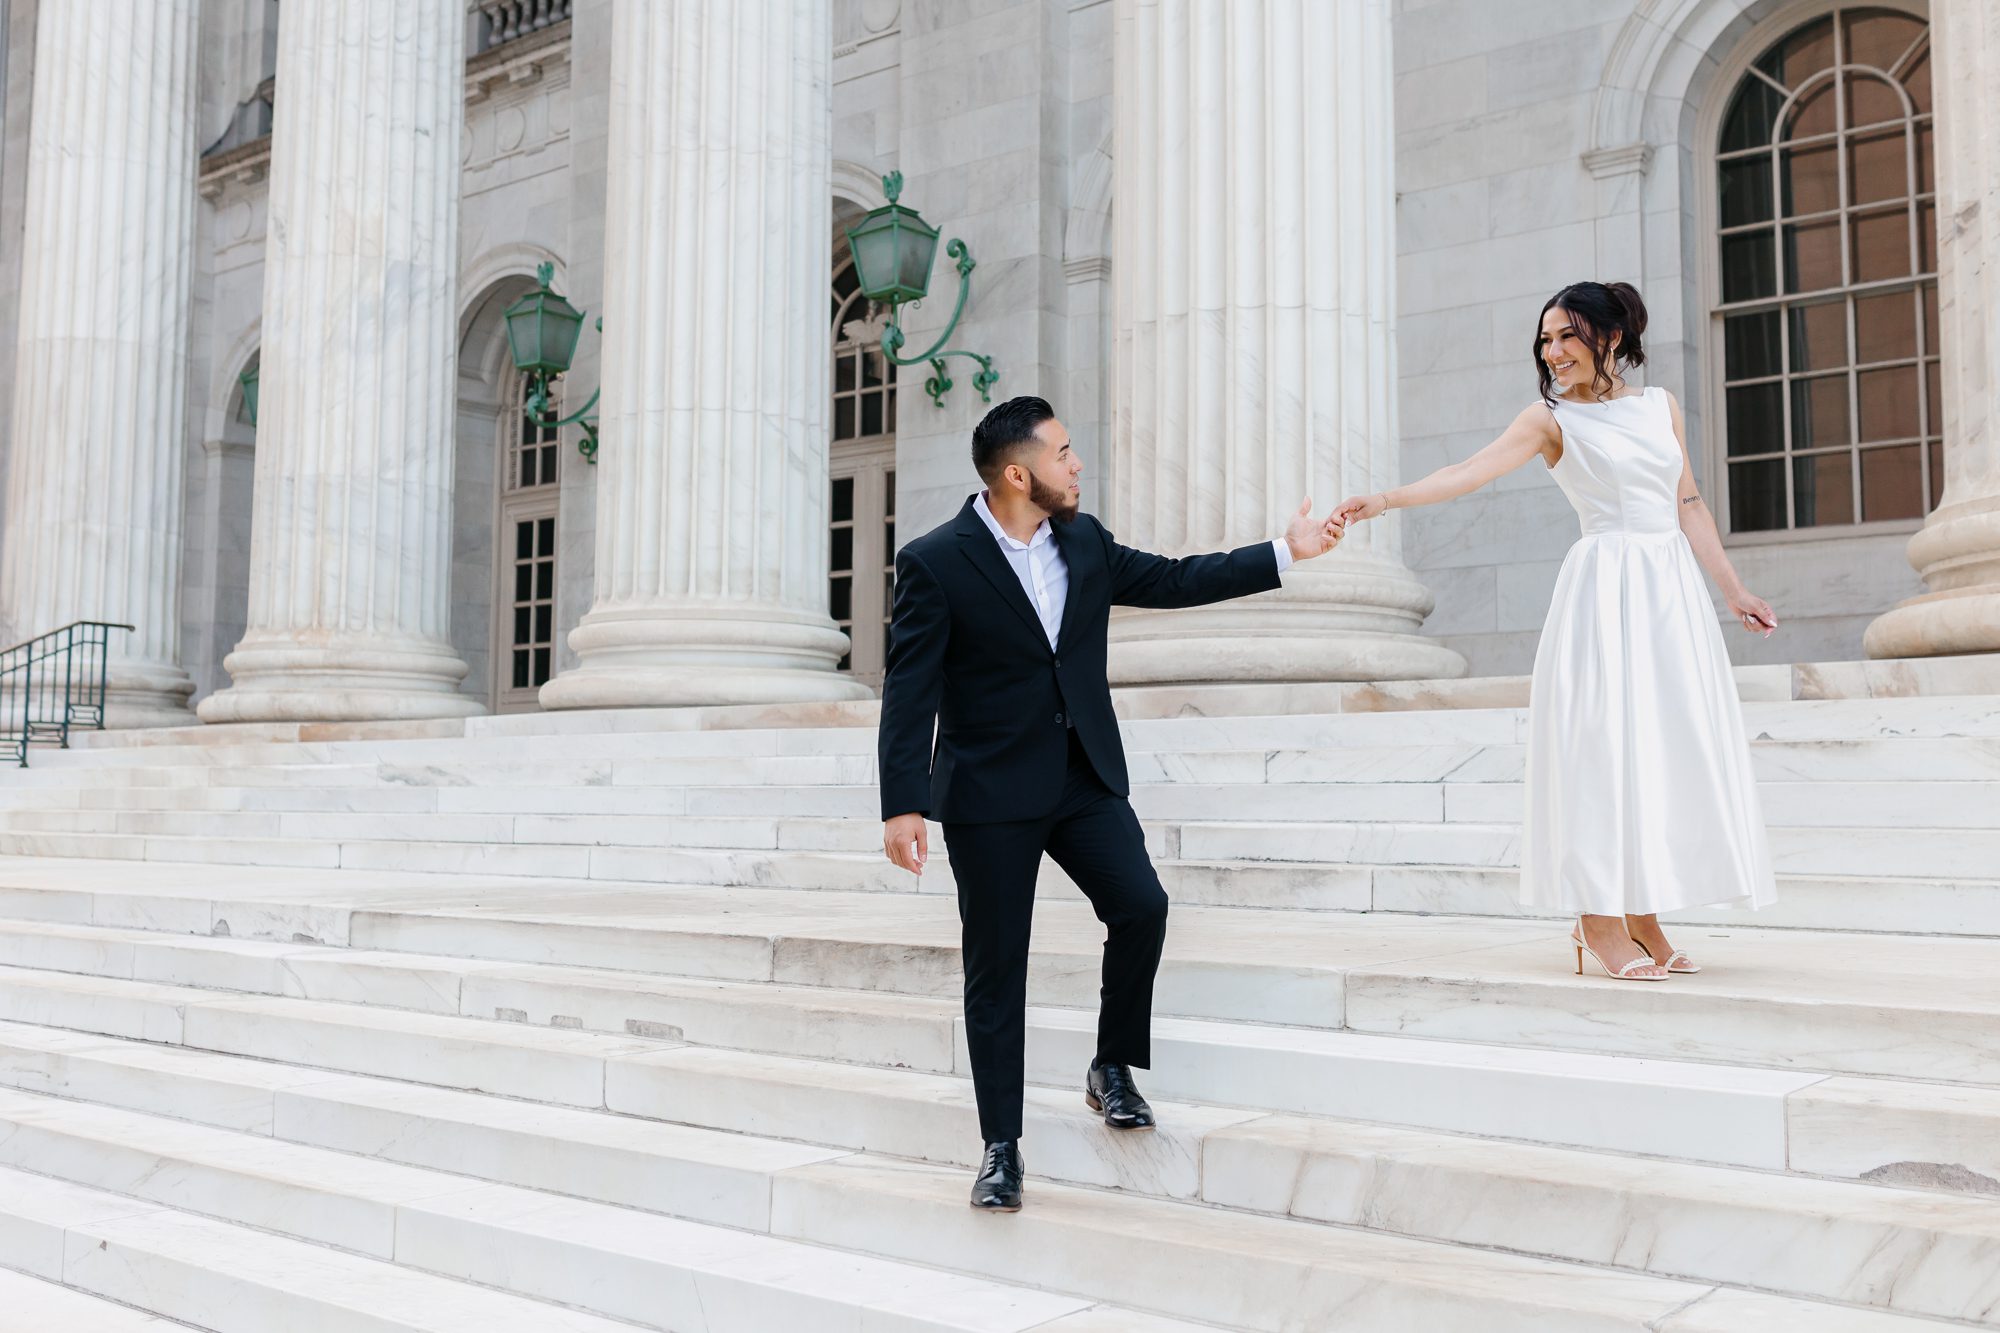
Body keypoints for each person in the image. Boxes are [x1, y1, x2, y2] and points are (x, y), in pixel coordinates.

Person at [878, 395, 1345, 1211]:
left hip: (1081, 775)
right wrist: (901, 801)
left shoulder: (1084, 541)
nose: (1077, 463)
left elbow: (1173, 579)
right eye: (1063, 453)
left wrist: (1285, 551)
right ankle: (1000, 1145)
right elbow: (909, 687)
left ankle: (1110, 1064)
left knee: (1141, 906)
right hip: (989, 794)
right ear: (1019, 474)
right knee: (998, 970)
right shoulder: (936, 560)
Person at [1338, 281, 1777, 982]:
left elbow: (1686, 499)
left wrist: (1734, 590)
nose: (1553, 351)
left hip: (1669, 594)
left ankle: (1643, 914)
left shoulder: (1657, 406)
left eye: (1566, 335)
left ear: (1609, 336)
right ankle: (1595, 918)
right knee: (1603, 751)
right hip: (1604, 592)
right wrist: (1385, 500)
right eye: (1545, 340)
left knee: (1659, 748)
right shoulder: (1549, 420)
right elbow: (1469, 471)